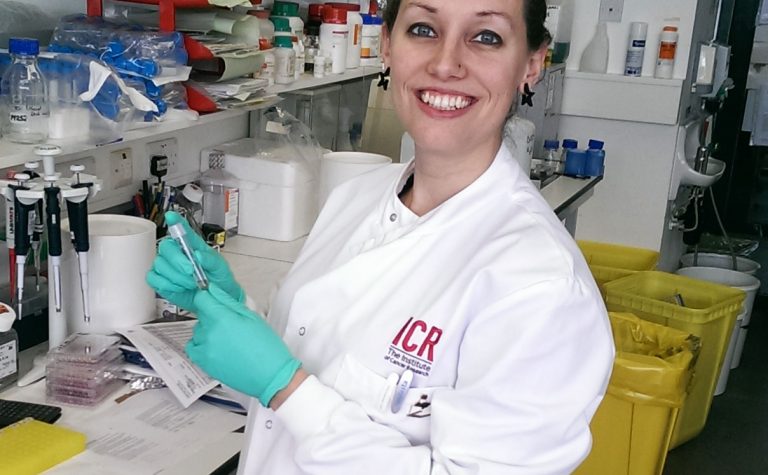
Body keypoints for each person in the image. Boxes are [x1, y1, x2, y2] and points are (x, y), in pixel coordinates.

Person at [147, 0, 615, 473]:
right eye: (424, 29)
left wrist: (283, 385)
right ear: (388, 45)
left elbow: (292, 391)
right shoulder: (356, 195)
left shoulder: (540, 286)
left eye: (486, 37)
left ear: (532, 64)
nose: (446, 63)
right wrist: (233, 309)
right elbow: (307, 370)